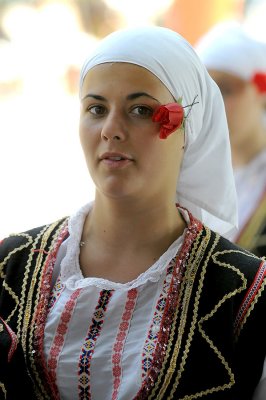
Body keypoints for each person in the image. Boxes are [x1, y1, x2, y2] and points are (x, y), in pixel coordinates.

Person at [0, 26, 266, 400]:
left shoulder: (242, 291)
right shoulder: (11, 263)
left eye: (141, 110)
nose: (111, 129)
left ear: (190, 126)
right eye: (96, 108)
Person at [195, 21, 266, 257]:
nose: (212, 104)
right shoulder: (192, 174)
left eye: (224, 90)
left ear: (261, 92)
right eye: (205, 91)